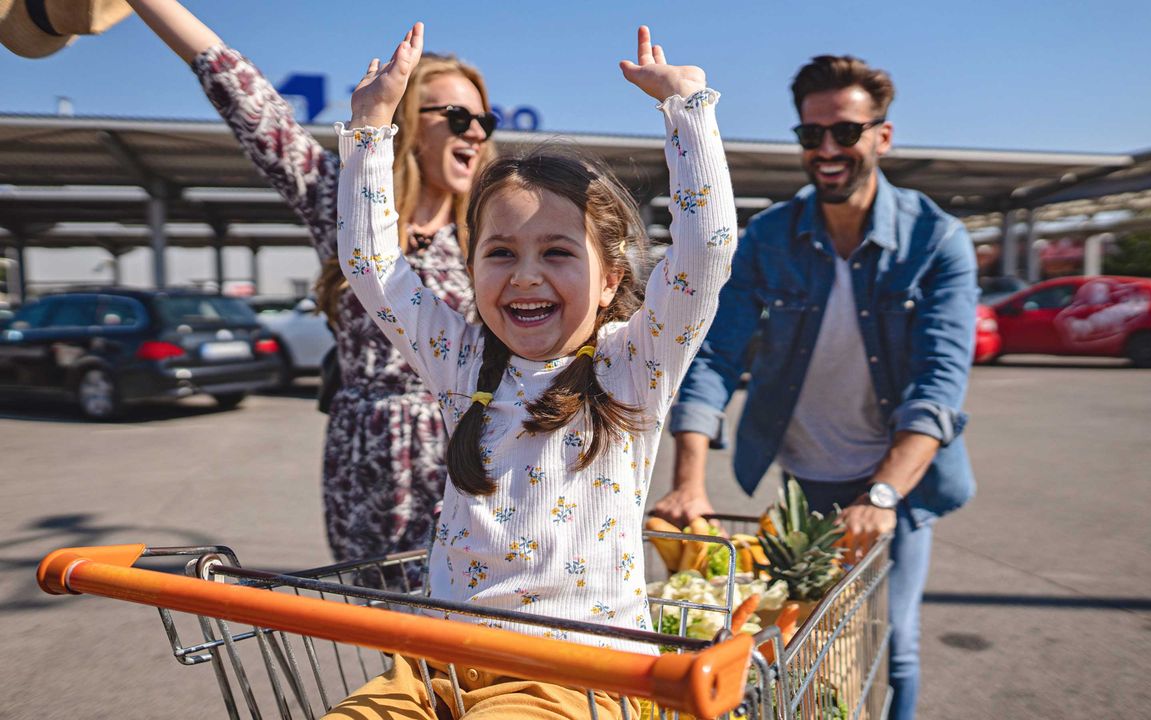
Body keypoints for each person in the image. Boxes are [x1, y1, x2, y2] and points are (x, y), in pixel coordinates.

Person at [324, 23, 735, 719]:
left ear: (610, 278)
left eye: (557, 252)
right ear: (470, 264)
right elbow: (370, 266)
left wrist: (687, 110)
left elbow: (707, 252)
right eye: (502, 253)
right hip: (432, 662)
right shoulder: (460, 360)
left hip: (570, 673)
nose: (526, 276)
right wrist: (370, 126)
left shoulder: (632, 365)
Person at [654, 54, 979, 720]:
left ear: (881, 137)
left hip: (894, 490)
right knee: (799, 650)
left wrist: (883, 493)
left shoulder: (937, 241)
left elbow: (938, 386)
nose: (828, 150)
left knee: (892, 651)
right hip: (803, 484)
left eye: (846, 133)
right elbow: (715, 356)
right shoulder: (770, 238)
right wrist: (689, 478)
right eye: (811, 135)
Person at [123, 0, 496, 567]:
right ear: (408, 122)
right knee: (371, 628)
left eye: (484, 122)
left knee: (460, 625)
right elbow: (249, 101)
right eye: (458, 117)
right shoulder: (343, 200)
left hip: (460, 452)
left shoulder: (491, 231)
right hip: (362, 451)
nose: (475, 133)